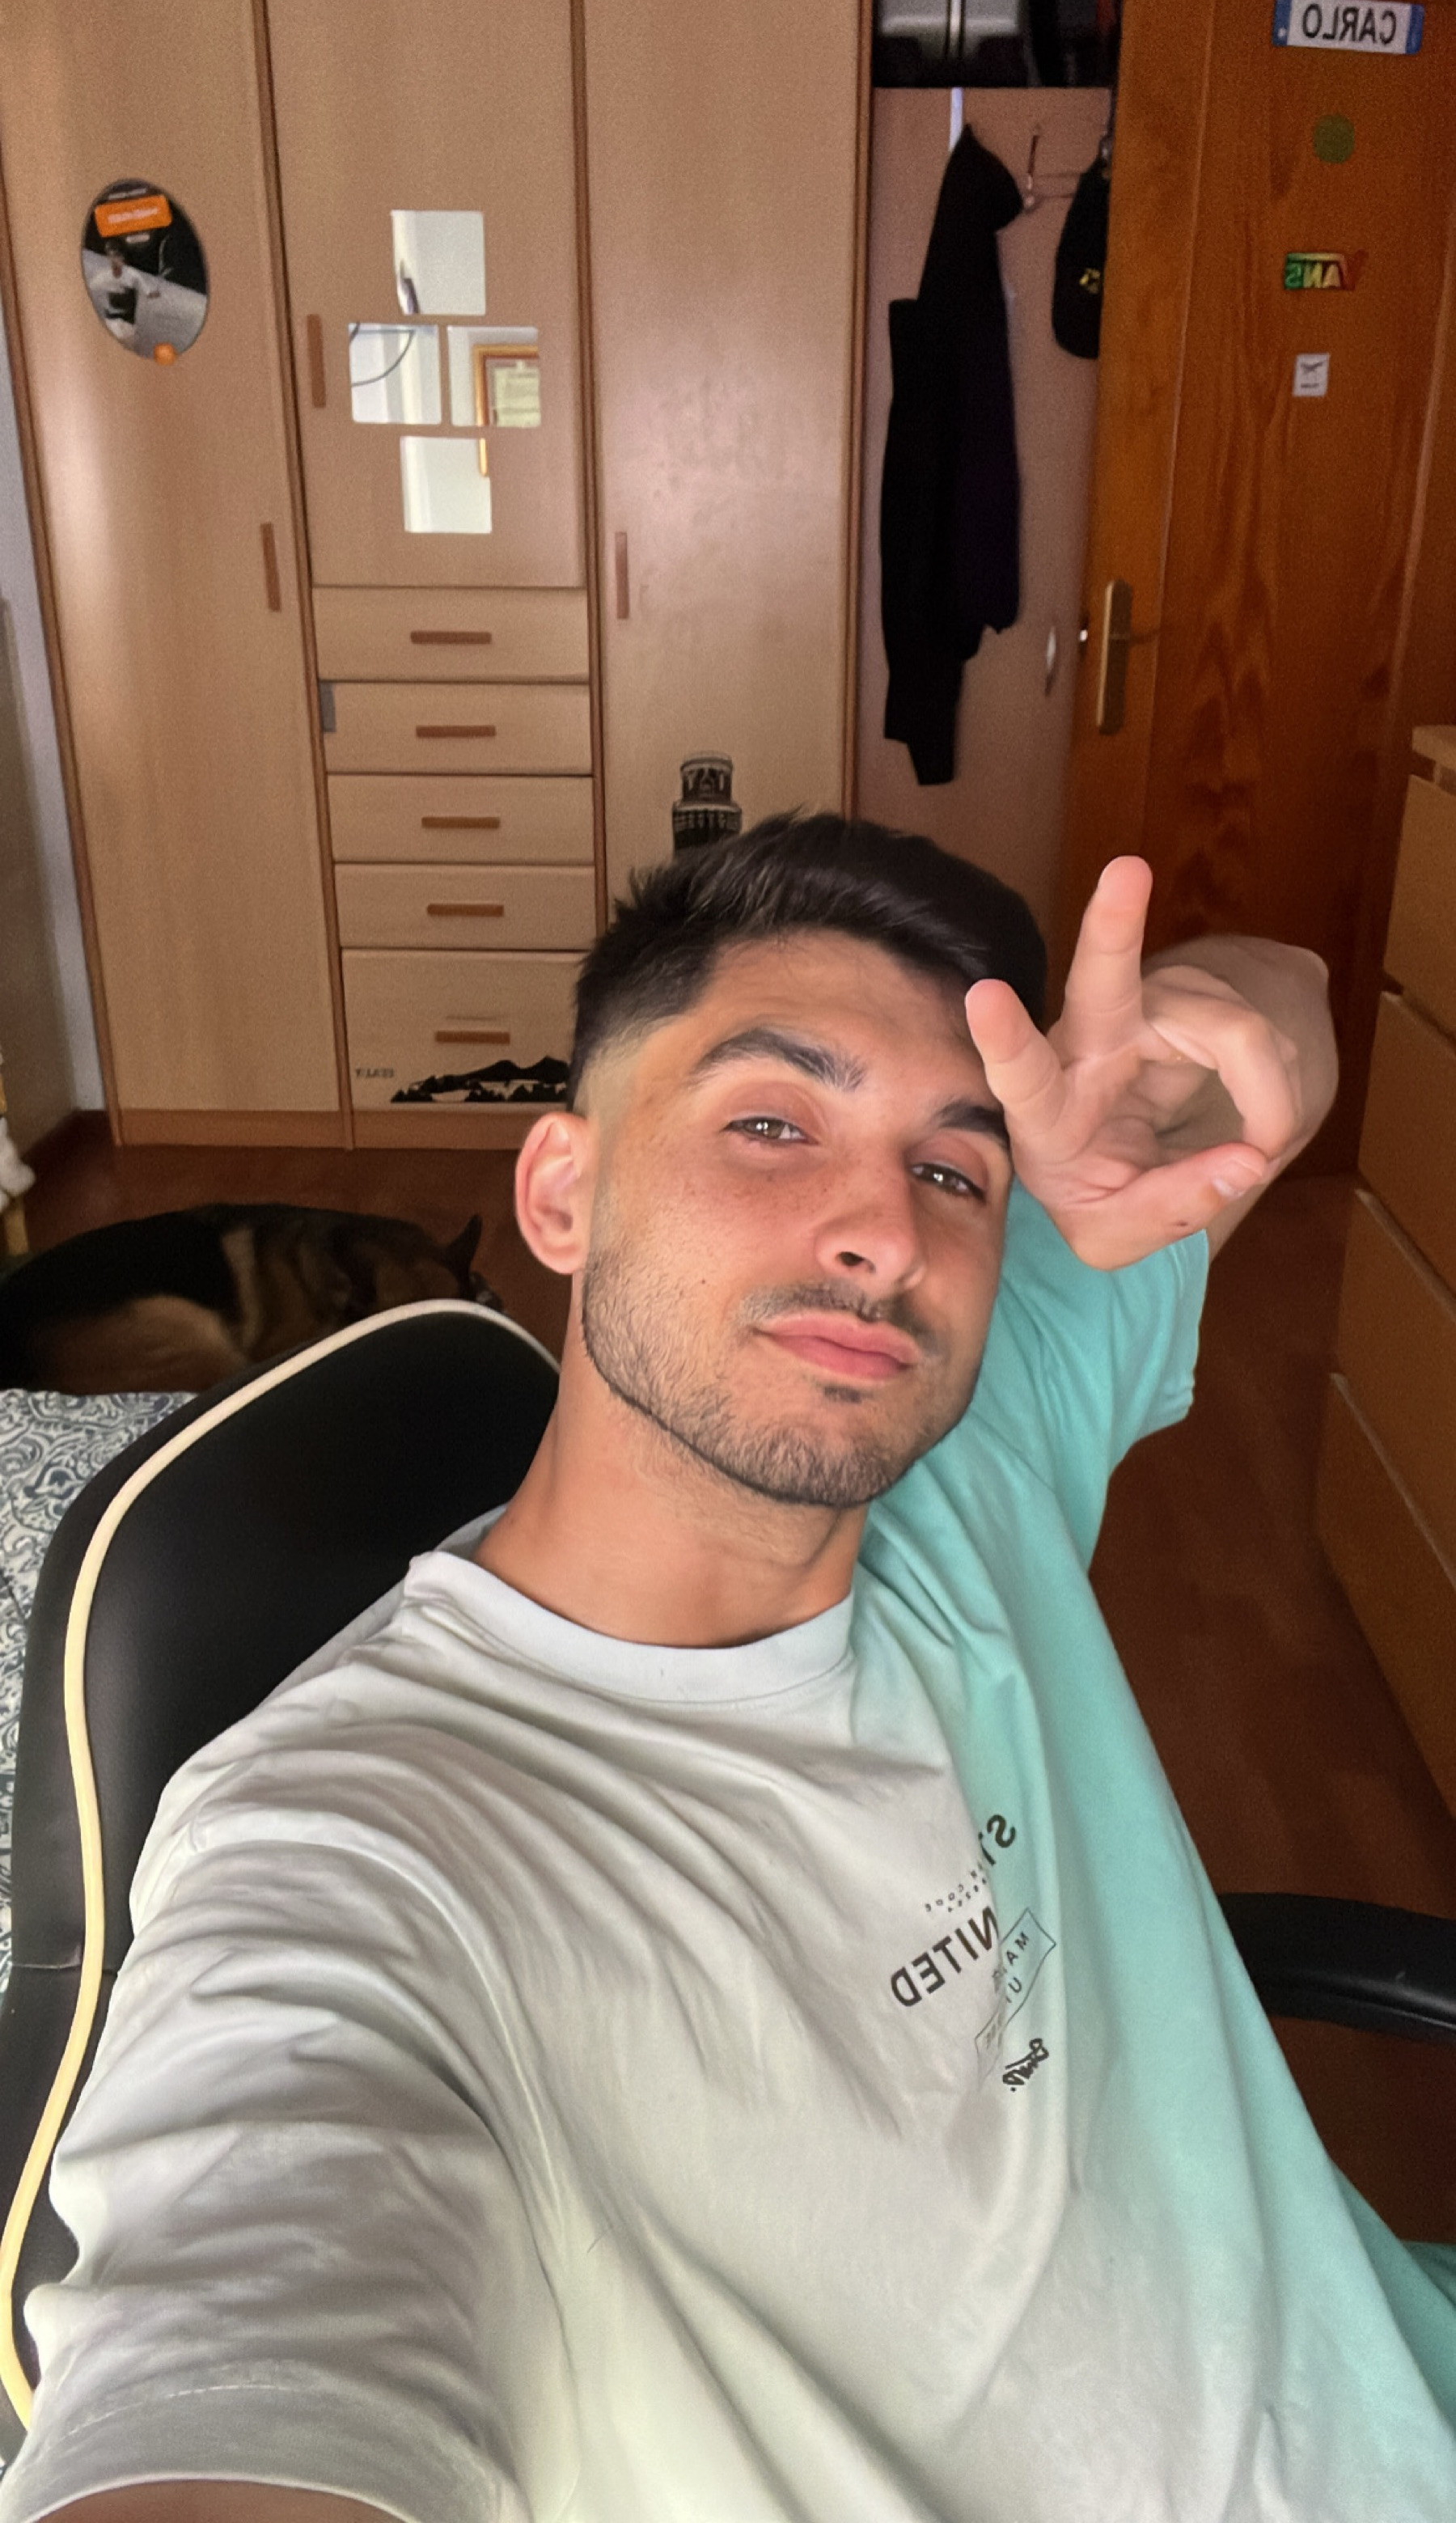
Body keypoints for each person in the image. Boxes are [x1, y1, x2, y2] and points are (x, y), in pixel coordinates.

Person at [2, 816, 1453, 2523]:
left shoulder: (967, 1453)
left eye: (956, 1169)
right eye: (772, 1123)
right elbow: (238, 2346)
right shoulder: (348, 1858)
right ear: (563, 1189)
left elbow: (1282, 1017)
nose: (882, 1232)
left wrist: (1213, 1008)